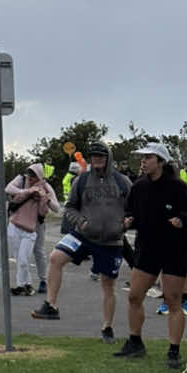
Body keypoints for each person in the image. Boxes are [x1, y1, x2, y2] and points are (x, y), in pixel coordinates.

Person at [31, 141, 131, 341]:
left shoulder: (123, 182)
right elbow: (70, 207)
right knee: (56, 257)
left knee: (108, 285)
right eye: (93, 156)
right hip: (84, 235)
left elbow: (135, 207)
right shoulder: (82, 180)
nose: (97, 160)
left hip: (111, 241)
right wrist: (81, 222)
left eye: (101, 156)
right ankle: (51, 305)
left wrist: (128, 223)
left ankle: (107, 328)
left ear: (108, 158)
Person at [117, 143, 187, 369]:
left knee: (173, 300)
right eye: (142, 158)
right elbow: (130, 210)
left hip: (174, 250)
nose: (143, 162)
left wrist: (182, 219)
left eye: (148, 158)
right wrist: (128, 220)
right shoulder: (139, 187)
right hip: (147, 249)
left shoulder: (178, 187)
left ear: (161, 162)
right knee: (134, 296)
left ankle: (174, 351)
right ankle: (135, 342)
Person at [4, 165, 60, 295]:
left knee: (37, 252)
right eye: (29, 175)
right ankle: (24, 284)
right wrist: (28, 191)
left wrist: (44, 197)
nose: (30, 178)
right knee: (19, 258)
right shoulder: (22, 180)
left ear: (39, 176)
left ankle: (43, 281)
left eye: (33, 176)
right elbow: (9, 189)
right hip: (16, 223)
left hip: (35, 225)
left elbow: (55, 208)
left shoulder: (45, 186)